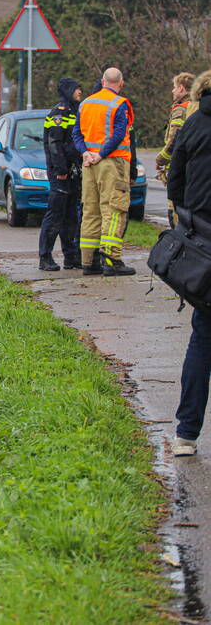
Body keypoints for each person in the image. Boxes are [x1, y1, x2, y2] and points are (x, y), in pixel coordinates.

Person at [166, 69, 211, 456]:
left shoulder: (194, 123)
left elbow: (174, 180)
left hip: (203, 245)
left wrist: (189, 219)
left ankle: (186, 434)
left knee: (202, 338)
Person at [71, 67, 136, 276]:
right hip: (112, 163)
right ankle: (112, 259)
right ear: (121, 83)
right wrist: (101, 154)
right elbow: (118, 134)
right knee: (114, 209)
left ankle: (88, 262)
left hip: (89, 164)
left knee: (90, 210)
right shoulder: (119, 104)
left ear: (102, 81)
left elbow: (77, 134)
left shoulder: (86, 103)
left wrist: (85, 153)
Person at [38, 78, 84, 271]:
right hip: (61, 173)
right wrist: (61, 170)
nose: (80, 91)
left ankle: (71, 256)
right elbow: (54, 143)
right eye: (76, 88)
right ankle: (45, 257)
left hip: (73, 172)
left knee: (71, 216)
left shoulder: (75, 111)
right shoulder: (59, 112)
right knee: (55, 215)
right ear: (67, 90)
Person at [156, 72, 195, 226]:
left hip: (179, 168)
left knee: (176, 214)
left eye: (174, 87)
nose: (172, 91)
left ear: (181, 88)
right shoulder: (199, 107)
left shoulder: (180, 110)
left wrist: (160, 159)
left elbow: (174, 140)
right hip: (195, 168)